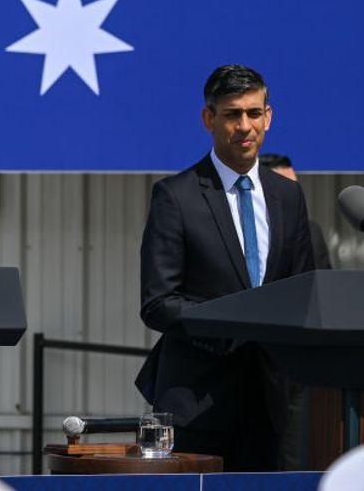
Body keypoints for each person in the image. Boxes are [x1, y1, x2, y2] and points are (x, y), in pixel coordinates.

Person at [136, 64, 315, 471]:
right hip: (197, 403)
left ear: (269, 117)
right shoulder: (176, 196)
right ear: (209, 119)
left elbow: (303, 291)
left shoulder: (288, 197)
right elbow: (157, 301)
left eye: (254, 113)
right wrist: (229, 327)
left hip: (271, 404)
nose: (245, 126)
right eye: (232, 114)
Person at [257, 152, 331, 471]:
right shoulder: (240, 233)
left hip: (297, 373)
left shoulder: (310, 231)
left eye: (295, 189)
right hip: (249, 367)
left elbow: (325, 294)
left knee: (294, 460)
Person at [258, 153, 331, 270]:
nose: (293, 192)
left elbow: (325, 281)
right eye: (286, 186)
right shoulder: (243, 229)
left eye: (295, 185)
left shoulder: (312, 231)